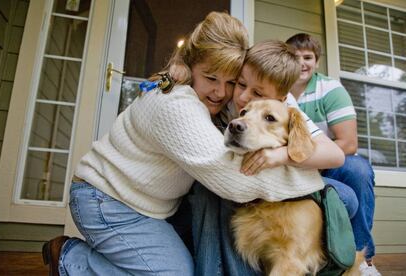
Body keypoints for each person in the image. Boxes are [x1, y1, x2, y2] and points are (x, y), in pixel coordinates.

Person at [41, 12, 336, 276]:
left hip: (155, 207)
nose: (223, 93)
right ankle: (71, 259)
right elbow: (234, 182)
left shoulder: (231, 100)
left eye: (232, 82)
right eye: (211, 78)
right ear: (191, 66)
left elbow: (328, 151)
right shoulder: (175, 105)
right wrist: (312, 182)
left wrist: (286, 155)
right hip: (106, 201)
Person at [189, 39, 358, 275]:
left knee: (348, 195)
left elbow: (335, 155)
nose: (244, 98)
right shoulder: (223, 92)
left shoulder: (286, 109)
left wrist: (282, 156)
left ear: (281, 98)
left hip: (281, 189)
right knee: (210, 192)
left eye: (258, 93)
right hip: (226, 186)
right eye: (240, 84)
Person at [286, 33, 379, 276]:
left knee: (357, 169)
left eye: (308, 57)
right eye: (295, 57)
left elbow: (348, 143)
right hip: (289, 163)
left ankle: (362, 259)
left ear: (316, 61)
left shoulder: (329, 89)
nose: (302, 62)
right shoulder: (277, 87)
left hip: (329, 163)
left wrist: (309, 159)